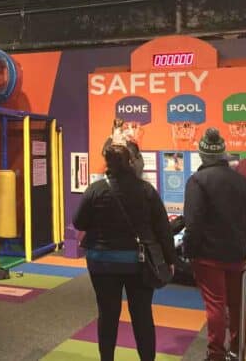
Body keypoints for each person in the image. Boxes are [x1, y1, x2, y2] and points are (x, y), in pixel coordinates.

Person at [74, 144, 176, 361]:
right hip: (139, 262)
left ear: (107, 163)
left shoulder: (96, 189)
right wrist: (170, 259)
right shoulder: (146, 190)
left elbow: (79, 221)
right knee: (142, 315)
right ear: (131, 161)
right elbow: (163, 229)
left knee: (107, 314)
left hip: (102, 262)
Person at [183, 128, 246, 361]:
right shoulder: (242, 181)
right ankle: (237, 348)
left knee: (215, 306)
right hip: (236, 252)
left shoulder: (197, 180)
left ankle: (216, 353)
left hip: (207, 255)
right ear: (223, 153)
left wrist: (188, 250)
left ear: (202, 154)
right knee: (236, 304)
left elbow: (193, 222)